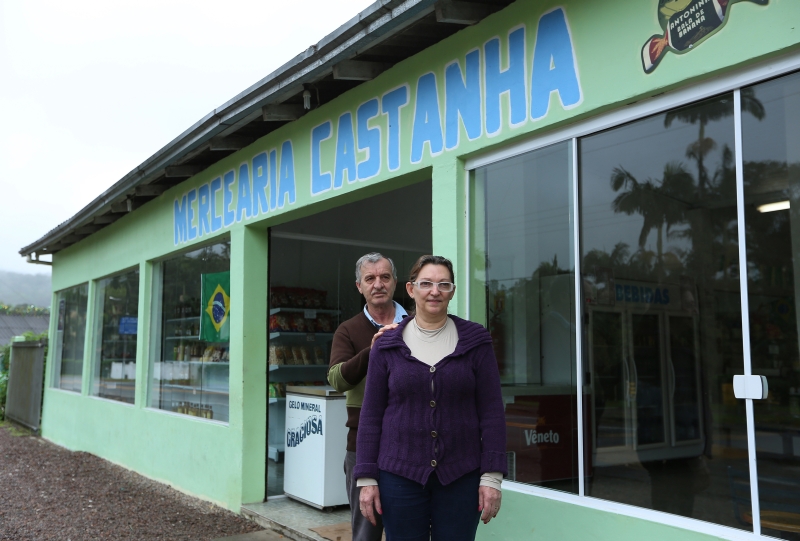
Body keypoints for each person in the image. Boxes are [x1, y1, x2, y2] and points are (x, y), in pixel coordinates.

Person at [354, 255, 506, 541]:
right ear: (411, 290)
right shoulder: (387, 345)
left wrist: (492, 477)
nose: (434, 291)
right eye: (426, 283)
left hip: (461, 477)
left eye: (443, 284)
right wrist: (367, 478)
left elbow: (492, 414)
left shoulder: (476, 341)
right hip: (398, 477)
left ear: (452, 291)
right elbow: (371, 416)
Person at [328, 252, 407, 541]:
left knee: (410, 529)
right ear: (359, 286)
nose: (378, 284)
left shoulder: (415, 324)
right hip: (362, 446)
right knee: (366, 533)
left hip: (410, 442)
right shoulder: (348, 330)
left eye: (384, 277)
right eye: (370, 278)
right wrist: (371, 351)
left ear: (396, 283)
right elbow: (336, 380)